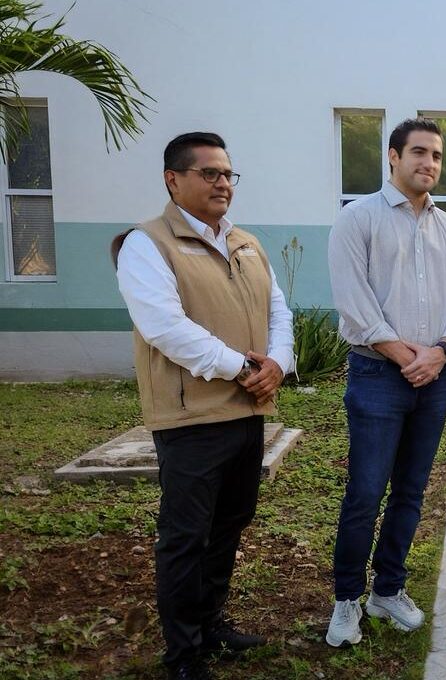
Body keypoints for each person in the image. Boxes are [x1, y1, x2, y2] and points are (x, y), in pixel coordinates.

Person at [112, 131, 293, 680]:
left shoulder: (246, 243)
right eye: (209, 173)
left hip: (247, 412)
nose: (222, 183)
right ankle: (184, 654)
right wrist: (243, 368)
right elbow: (165, 327)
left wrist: (278, 363)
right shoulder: (147, 243)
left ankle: (211, 623)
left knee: (231, 522)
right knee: (186, 536)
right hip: (191, 417)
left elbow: (279, 311)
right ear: (173, 180)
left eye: (227, 174)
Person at [325, 118, 446, 646]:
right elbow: (353, 299)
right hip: (377, 376)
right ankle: (347, 599)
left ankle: (387, 590)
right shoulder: (358, 218)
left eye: (436, 155)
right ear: (393, 155)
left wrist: (442, 350)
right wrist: (406, 355)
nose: (429, 163)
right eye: (418, 152)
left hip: (434, 378)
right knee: (365, 492)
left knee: (410, 491)